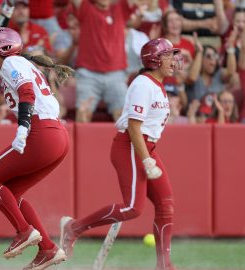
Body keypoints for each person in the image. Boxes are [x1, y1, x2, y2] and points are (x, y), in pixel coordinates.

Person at [59, 38, 183, 270]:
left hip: (147, 146)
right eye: (168, 55)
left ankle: (164, 265)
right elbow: (134, 128)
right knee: (133, 208)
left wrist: (148, 155)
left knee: (166, 205)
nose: (173, 60)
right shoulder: (143, 84)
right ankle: (74, 228)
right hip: (131, 146)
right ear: (154, 59)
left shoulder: (157, 84)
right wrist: (146, 159)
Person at [0, 27, 73, 270]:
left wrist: (23, 127)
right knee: (11, 193)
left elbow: (26, 92)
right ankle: (48, 249)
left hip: (41, 132)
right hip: (57, 135)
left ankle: (23, 231)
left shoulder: (12, 63)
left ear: (4, 47)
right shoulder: (18, 63)